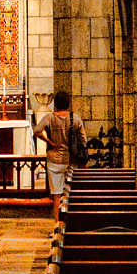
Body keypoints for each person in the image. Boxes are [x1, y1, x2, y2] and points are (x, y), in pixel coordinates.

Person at [33, 90, 87, 222]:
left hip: (54, 159)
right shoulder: (75, 118)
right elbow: (83, 140)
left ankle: (58, 224)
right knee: (72, 194)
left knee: (57, 195)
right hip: (71, 160)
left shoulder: (49, 118)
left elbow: (37, 131)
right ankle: (71, 223)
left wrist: (49, 142)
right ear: (68, 103)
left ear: (55, 104)